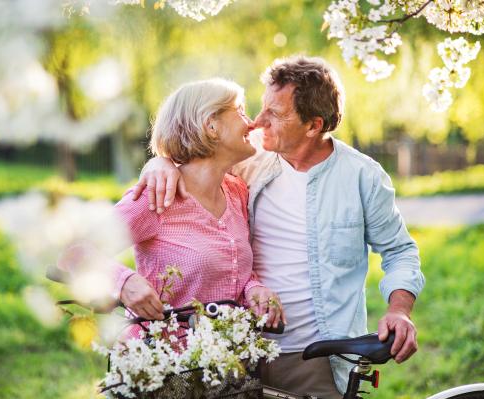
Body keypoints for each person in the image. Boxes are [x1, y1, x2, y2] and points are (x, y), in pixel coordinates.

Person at [132, 54, 426, 398]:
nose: (257, 121)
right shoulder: (247, 156)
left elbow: (399, 251)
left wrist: (399, 310)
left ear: (313, 125)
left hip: (318, 356)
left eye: (275, 114)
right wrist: (161, 163)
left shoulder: (363, 177)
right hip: (240, 350)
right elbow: (193, 150)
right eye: (261, 107)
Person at [57, 78, 286, 338]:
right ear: (211, 125)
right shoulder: (155, 198)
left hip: (225, 368)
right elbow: (73, 251)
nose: (252, 123)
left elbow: (231, 270)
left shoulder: (237, 192)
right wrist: (124, 283)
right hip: (161, 366)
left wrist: (253, 288)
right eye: (240, 111)